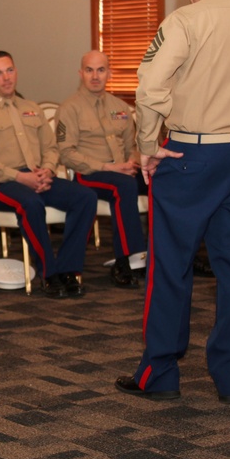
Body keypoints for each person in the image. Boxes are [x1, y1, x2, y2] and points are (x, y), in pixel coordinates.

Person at [116, 0, 230, 403]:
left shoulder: (187, 18)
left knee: (171, 264)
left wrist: (148, 145)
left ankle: (160, 373)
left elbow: (149, 90)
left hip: (191, 157)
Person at [0, 51, 97, 298]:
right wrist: (20, 177)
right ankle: (49, 274)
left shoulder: (31, 108)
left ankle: (69, 269)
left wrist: (47, 169)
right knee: (31, 203)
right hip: (1, 183)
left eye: (10, 70)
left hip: (38, 176)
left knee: (86, 197)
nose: (6, 78)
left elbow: (51, 147)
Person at [55, 51, 147, 287]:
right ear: (80, 74)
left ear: (109, 73)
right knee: (124, 186)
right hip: (89, 174)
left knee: (160, 181)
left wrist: (131, 163)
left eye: (100, 70)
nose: (95, 76)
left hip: (121, 171)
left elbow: (133, 146)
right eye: (89, 70)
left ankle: (161, 254)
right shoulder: (69, 108)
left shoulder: (121, 107)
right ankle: (125, 260)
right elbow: (67, 153)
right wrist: (109, 167)